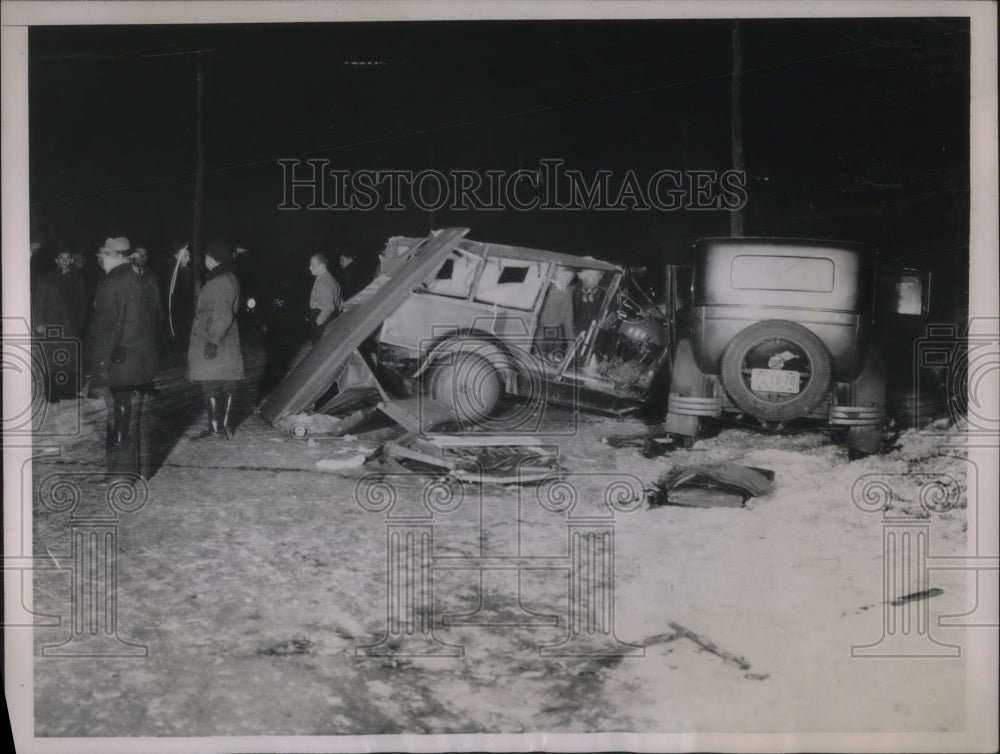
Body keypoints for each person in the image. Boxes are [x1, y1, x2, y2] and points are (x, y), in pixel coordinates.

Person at [87, 237, 158, 481]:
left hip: (120, 366)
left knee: (119, 418)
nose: (101, 261)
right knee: (131, 418)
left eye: (103, 256)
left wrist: (100, 373)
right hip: (139, 364)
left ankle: (121, 475)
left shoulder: (110, 285)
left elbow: (106, 333)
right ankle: (137, 471)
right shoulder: (142, 281)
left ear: (114, 257)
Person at [188, 240, 244, 439]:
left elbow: (223, 315)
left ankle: (221, 427)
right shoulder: (223, 278)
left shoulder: (222, 282)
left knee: (217, 384)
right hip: (220, 340)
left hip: (218, 342)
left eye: (206, 257)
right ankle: (218, 427)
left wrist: (213, 341)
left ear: (212, 259)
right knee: (215, 383)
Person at [33, 250, 89, 401]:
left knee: (70, 359)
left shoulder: (77, 279)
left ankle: (69, 392)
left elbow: (83, 304)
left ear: (71, 260)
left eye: (67, 258)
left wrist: (79, 322)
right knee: (53, 359)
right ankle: (52, 394)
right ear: (56, 260)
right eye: (61, 258)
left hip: (71, 325)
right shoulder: (46, 279)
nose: (64, 261)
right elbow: (39, 304)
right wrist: (39, 323)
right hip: (52, 325)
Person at [535, 265, 577, 361]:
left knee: (554, 361)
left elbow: (568, 320)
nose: (567, 279)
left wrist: (571, 344)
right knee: (538, 360)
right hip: (541, 331)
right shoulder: (546, 288)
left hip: (557, 334)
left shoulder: (568, 293)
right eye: (565, 275)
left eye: (570, 277)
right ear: (557, 274)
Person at [307, 253, 342, 344]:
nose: (310, 268)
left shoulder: (324, 282)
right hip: (327, 320)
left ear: (322, 267)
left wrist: (317, 324)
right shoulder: (328, 279)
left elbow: (328, 308)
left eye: (313, 265)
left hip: (323, 322)